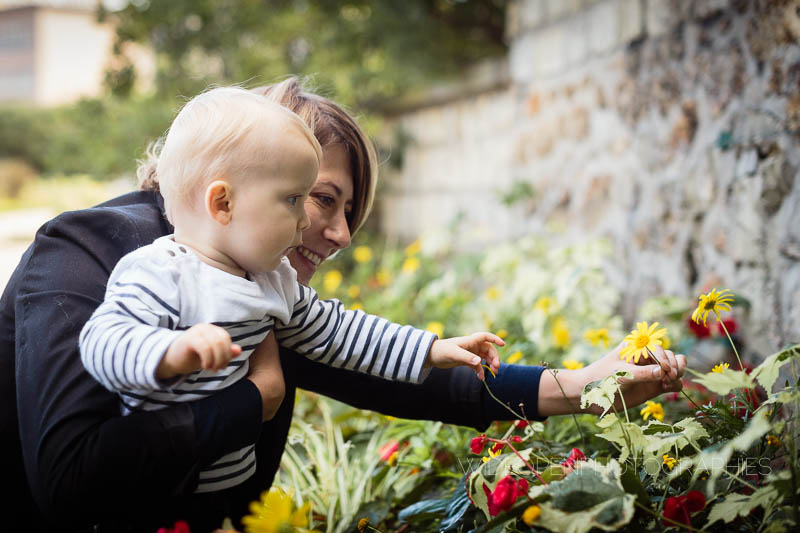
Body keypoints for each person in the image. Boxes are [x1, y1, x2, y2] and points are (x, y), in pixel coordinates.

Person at [0, 77, 686, 532]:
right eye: (315, 198)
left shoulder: (253, 278)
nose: (335, 234)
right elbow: (68, 484)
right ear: (228, 187)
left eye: (344, 208)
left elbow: (403, 374)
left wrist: (587, 387)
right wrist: (251, 400)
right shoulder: (86, 257)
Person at [78, 86, 501, 495]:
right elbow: (103, 343)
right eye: (294, 200)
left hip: (229, 489)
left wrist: (432, 350)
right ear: (223, 203)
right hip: (158, 490)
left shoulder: (272, 279)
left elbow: (342, 333)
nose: (304, 222)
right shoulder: (159, 272)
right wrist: (173, 352)